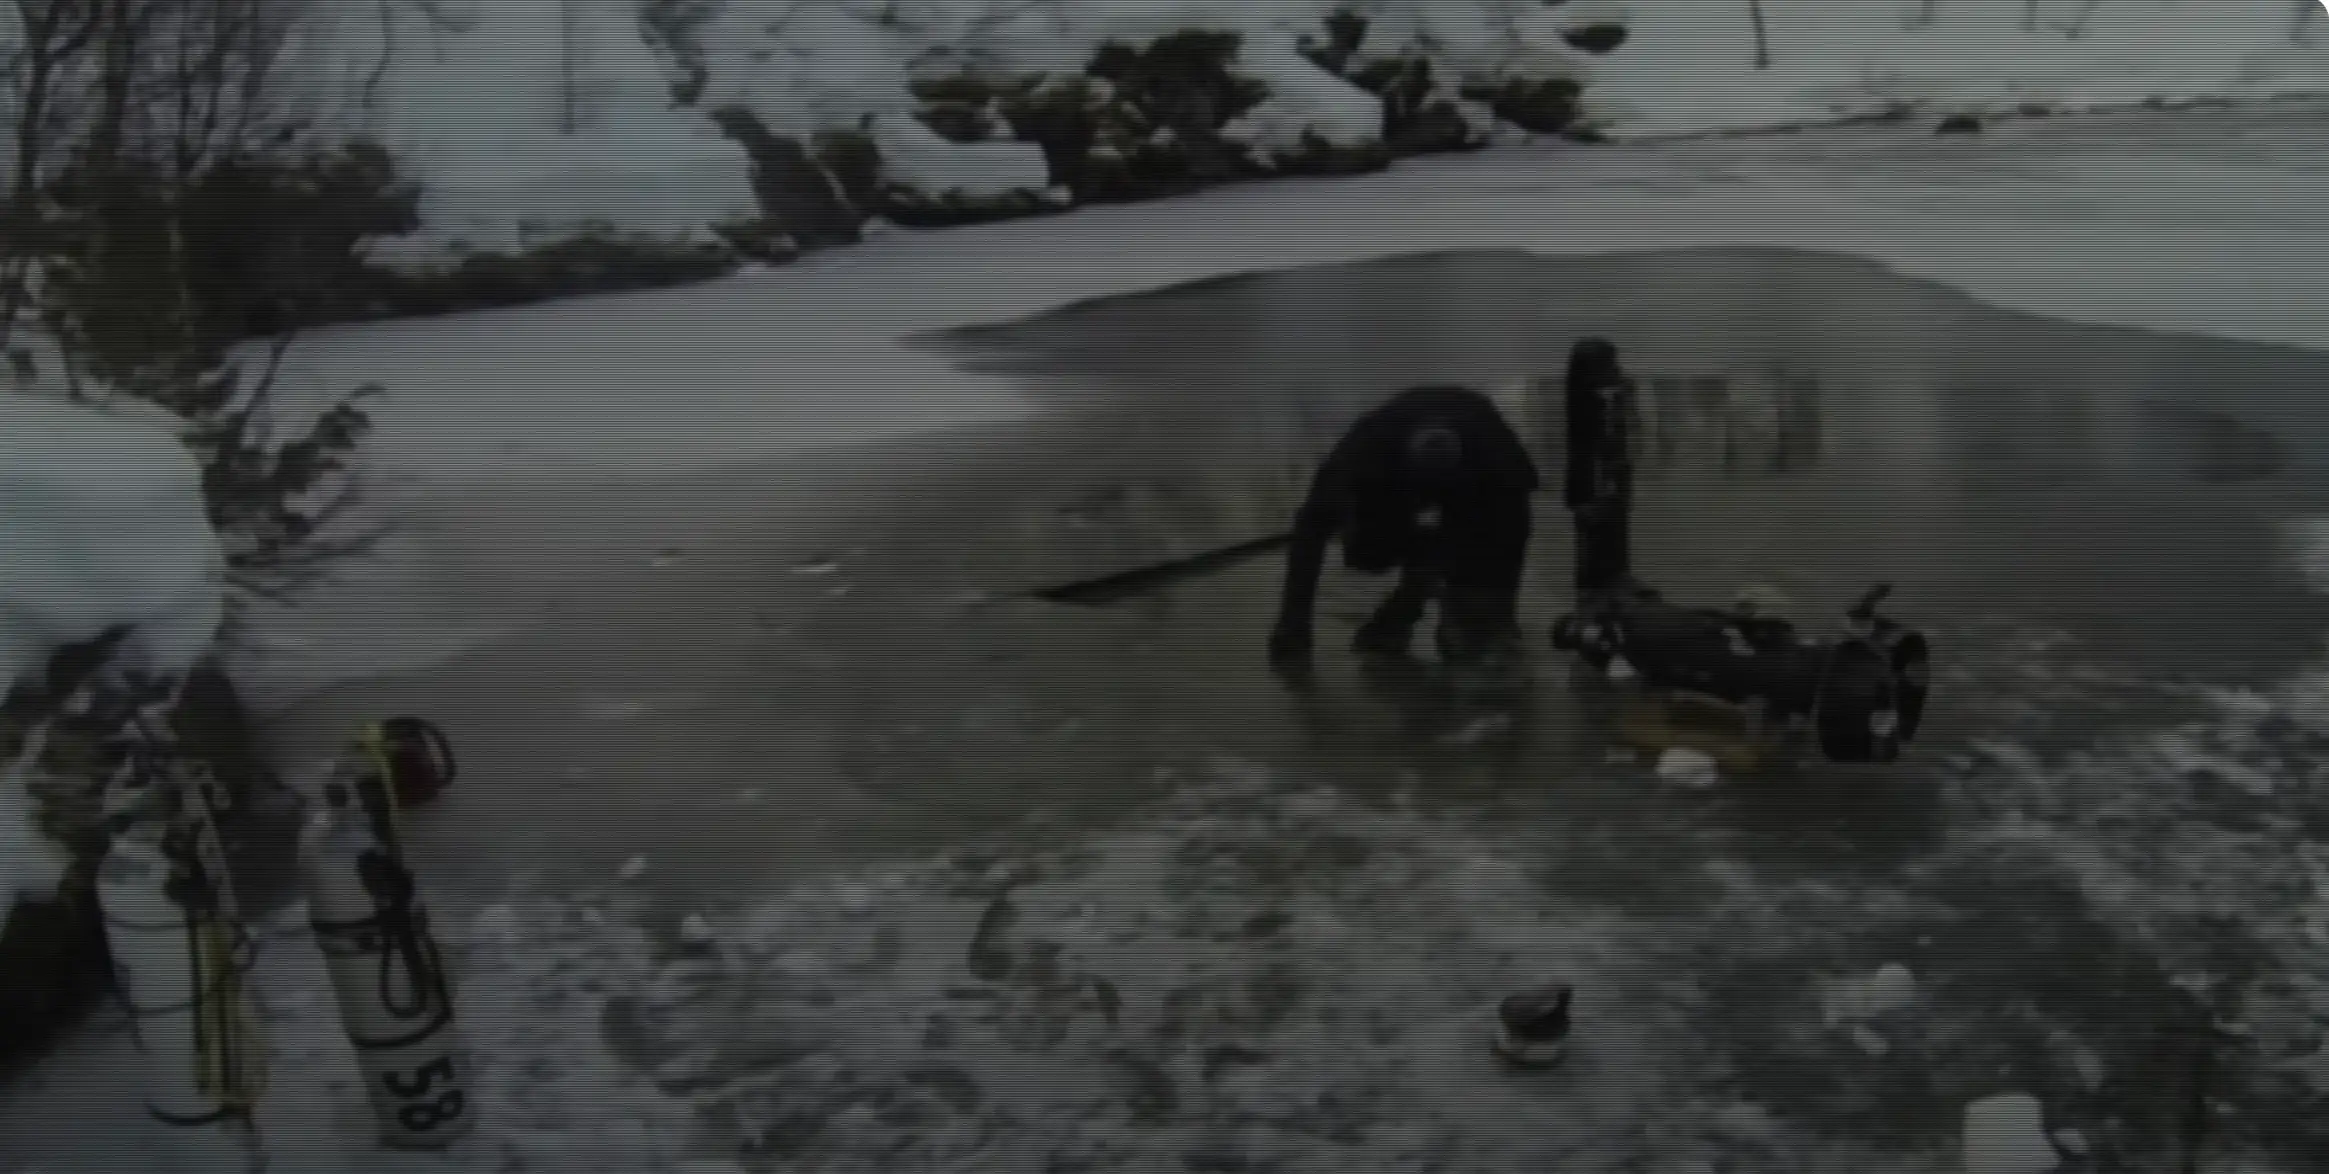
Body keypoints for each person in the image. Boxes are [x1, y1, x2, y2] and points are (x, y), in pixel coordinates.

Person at [1268, 385, 1538, 682]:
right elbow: (1310, 529)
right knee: (1368, 556)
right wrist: (1293, 620)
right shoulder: (1363, 452)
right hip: (1395, 484)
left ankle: (1420, 606)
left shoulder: (1494, 454)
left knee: (1477, 598)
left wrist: (1502, 610)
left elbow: (1516, 530)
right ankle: (1408, 603)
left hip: (1471, 486)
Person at [1563, 337, 1639, 599]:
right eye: (1611, 362)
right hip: (1595, 474)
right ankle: (1598, 582)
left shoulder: (1596, 391)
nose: (1616, 367)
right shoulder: (1591, 395)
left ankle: (1613, 575)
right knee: (1598, 526)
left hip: (1608, 469)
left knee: (1615, 522)